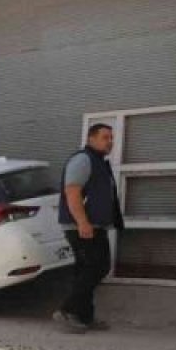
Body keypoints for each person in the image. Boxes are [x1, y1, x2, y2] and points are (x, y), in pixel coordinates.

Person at [54, 123, 124, 334]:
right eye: (105, 137)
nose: (110, 141)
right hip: (82, 226)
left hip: (94, 226)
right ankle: (66, 310)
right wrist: (82, 222)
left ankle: (84, 317)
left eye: (111, 138)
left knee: (86, 271)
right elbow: (72, 192)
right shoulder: (83, 159)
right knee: (97, 268)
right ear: (91, 139)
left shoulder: (99, 161)